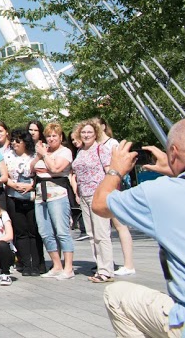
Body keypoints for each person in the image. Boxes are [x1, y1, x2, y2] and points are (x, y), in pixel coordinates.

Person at [93, 122, 185, 338]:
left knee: (116, 294)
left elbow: (100, 204)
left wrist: (115, 169)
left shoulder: (160, 192)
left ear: (173, 152)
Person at [71, 118, 115, 283]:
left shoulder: (100, 149)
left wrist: (107, 191)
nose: (86, 135)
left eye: (89, 132)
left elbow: (109, 171)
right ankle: (99, 266)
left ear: (95, 133)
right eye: (83, 132)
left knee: (102, 233)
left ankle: (107, 270)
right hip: (84, 195)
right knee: (91, 234)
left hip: (99, 195)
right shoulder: (80, 151)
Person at [31, 122, 75, 279]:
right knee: (45, 231)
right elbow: (31, 169)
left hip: (58, 193)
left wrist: (44, 155)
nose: (51, 139)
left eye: (54, 136)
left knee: (62, 231)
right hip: (40, 194)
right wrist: (39, 155)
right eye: (48, 136)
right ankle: (56, 265)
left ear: (60, 137)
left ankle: (68, 268)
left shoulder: (66, 152)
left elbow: (56, 168)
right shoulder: (44, 151)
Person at [97, 117, 136, 277]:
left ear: (103, 126)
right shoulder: (98, 145)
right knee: (105, 230)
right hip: (103, 189)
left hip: (113, 188)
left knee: (120, 226)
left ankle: (129, 264)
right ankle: (107, 263)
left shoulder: (112, 144)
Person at [4, 128, 44, 275]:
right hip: (13, 196)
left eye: (18, 140)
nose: (14, 143)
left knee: (34, 231)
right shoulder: (7, 156)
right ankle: (26, 265)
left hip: (32, 196)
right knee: (21, 232)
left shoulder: (35, 155)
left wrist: (31, 186)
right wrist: (13, 184)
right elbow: (3, 174)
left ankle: (38, 263)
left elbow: (40, 174)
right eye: (13, 140)